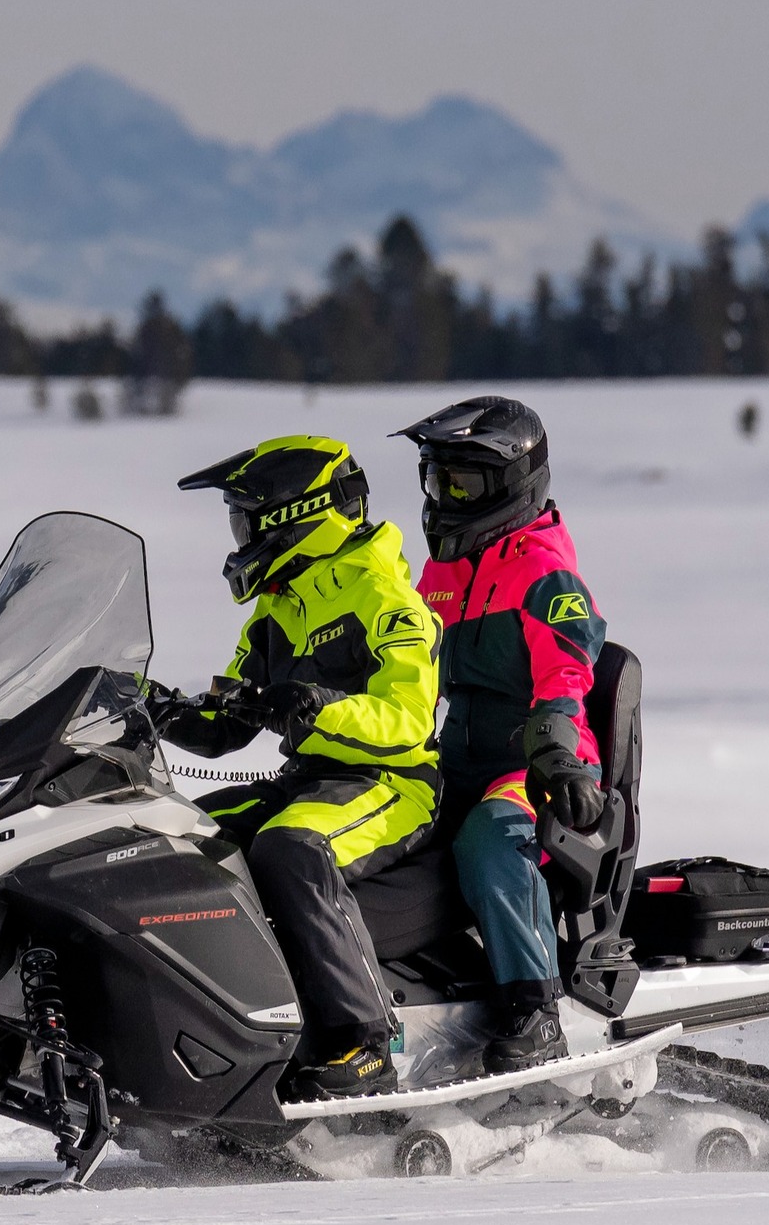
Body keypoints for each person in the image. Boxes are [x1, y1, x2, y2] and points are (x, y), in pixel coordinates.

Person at [152, 435, 442, 1101]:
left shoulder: (383, 594)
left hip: (392, 783)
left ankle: (366, 1045)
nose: (240, 538)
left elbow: (408, 719)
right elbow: (227, 722)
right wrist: (155, 708)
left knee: (293, 848)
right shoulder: (279, 606)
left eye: (246, 521)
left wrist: (318, 706)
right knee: (177, 834)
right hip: (310, 781)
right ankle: (230, 1037)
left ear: (295, 517)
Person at [395, 397, 608, 1073]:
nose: (445, 499)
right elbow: (408, 668)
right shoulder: (444, 571)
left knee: (490, 838)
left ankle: (535, 1009)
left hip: (539, 767)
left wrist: (557, 753)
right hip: (456, 762)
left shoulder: (546, 573)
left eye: (462, 483)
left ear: (512, 484)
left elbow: (566, 675)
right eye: (437, 482)